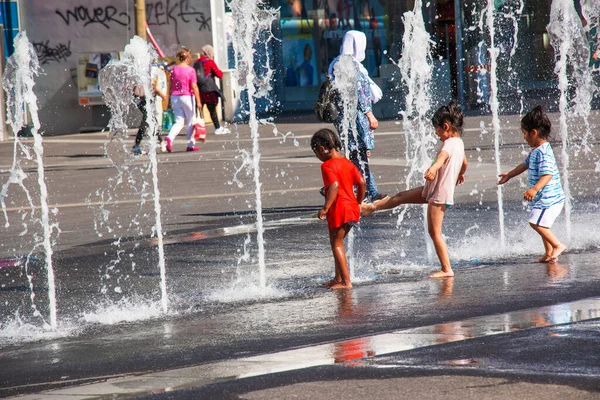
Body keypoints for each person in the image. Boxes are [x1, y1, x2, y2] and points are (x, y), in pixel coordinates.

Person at [361, 102, 468, 278]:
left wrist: (433, 169)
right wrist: (460, 174)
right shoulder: (459, 142)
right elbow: (464, 163)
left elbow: (442, 158)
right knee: (401, 197)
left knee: (435, 232)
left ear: (446, 126)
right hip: (434, 189)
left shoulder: (449, 144)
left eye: (437, 129)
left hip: (439, 195)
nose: (436, 133)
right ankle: (370, 207)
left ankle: (446, 269)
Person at [497, 105, 567, 264]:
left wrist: (535, 189)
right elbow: (524, 165)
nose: (524, 138)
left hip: (550, 199)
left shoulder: (543, 152)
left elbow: (548, 174)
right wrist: (509, 175)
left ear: (534, 133)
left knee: (535, 222)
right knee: (542, 223)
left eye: (524, 134)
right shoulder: (537, 150)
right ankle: (549, 253)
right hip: (544, 198)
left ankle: (557, 245)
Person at [328, 30, 385, 202]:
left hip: (344, 117)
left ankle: (365, 190)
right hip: (357, 118)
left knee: (355, 154)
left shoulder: (336, 62)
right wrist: (369, 115)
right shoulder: (351, 64)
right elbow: (360, 91)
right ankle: (366, 192)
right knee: (359, 155)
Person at [312, 128, 366, 289]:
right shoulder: (347, 162)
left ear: (322, 149)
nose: (318, 157)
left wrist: (325, 208)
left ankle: (346, 282)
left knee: (336, 244)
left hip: (339, 209)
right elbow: (362, 182)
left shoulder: (327, 166)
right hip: (351, 208)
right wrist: (358, 202)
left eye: (316, 153)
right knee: (338, 242)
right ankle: (338, 278)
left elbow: (334, 186)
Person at [164, 48, 202, 152]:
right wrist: (199, 101)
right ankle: (190, 144)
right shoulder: (190, 70)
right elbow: (194, 86)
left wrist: (168, 98)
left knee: (179, 122)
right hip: (187, 97)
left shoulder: (173, 70)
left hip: (175, 97)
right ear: (187, 58)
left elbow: (171, 85)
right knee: (190, 121)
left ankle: (169, 138)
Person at [132, 65, 168, 155]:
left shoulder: (137, 74)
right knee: (148, 121)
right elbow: (153, 86)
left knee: (149, 121)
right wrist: (162, 95)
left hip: (141, 100)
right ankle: (161, 142)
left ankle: (137, 145)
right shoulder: (145, 74)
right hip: (144, 100)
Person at [194, 45, 230, 135]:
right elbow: (219, 74)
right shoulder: (210, 62)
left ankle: (195, 130)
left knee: (198, 111)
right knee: (212, 110)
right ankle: (217, 128)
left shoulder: (196, 63)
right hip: (209, 89)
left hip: (199, 90)